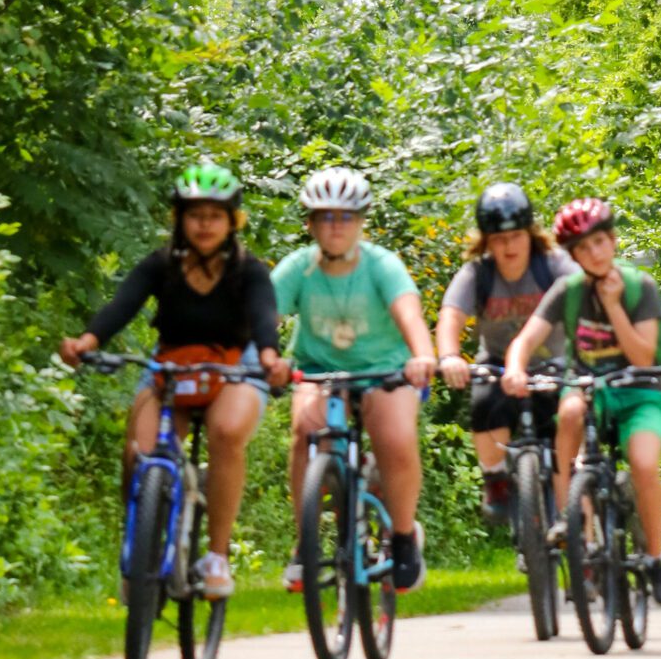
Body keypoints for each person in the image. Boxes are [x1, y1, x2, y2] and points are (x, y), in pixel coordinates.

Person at [60, 160, 287, 599]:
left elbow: (263, 319)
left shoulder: (249, 270)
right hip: (172, 367)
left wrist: (270, 357)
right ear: (179, 219)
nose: (205, 224)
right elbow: (122, 305)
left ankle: (216, 557)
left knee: (226, 433)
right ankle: (141, 546)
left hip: (235, 366)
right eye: (195, 215)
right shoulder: (160, 265)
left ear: (232, 222)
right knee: (139, 454)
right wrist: (86, 341)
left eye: (215, 215)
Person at [502, 196, 661, 607]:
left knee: (644, 463)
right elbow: (526, 339)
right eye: (583, 248)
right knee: (568, 413)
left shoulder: (639, 287)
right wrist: (514, 368)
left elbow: (643, 356)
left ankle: (656, 557)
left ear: (612, 240)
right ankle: (572, 520)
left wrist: (614, 306)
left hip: (640, 391)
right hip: (587, 387)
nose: (594, 253)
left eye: (599, 242)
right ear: (573, 255)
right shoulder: (568, 292)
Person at [273, 164, 438, 595]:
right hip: (319, 369)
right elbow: (262, 318)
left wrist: (423, 355)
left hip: (385, 369)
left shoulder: (382, 265)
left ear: (361, 221)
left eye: (346, 217)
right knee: (306, 433)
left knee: (395, 439)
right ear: (310, 223)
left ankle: (403, 537)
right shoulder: (298, 268)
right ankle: (306, 544)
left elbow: (409, 314)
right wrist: (265, 356)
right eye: (325, 217)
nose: (336, 226)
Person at [435, 183, 572, 525]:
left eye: (515, 236)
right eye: (499, 239)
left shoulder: (552, 265)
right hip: (496, 365)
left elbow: (586, 294)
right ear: (486, 242)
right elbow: (451, 316)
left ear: (530, 234)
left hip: (554, 363)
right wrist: (449, 356)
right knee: (483, 403)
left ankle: (575, 504)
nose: (509, 246)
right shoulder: (477, 274)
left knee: (568, 422)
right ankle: (495, 478)